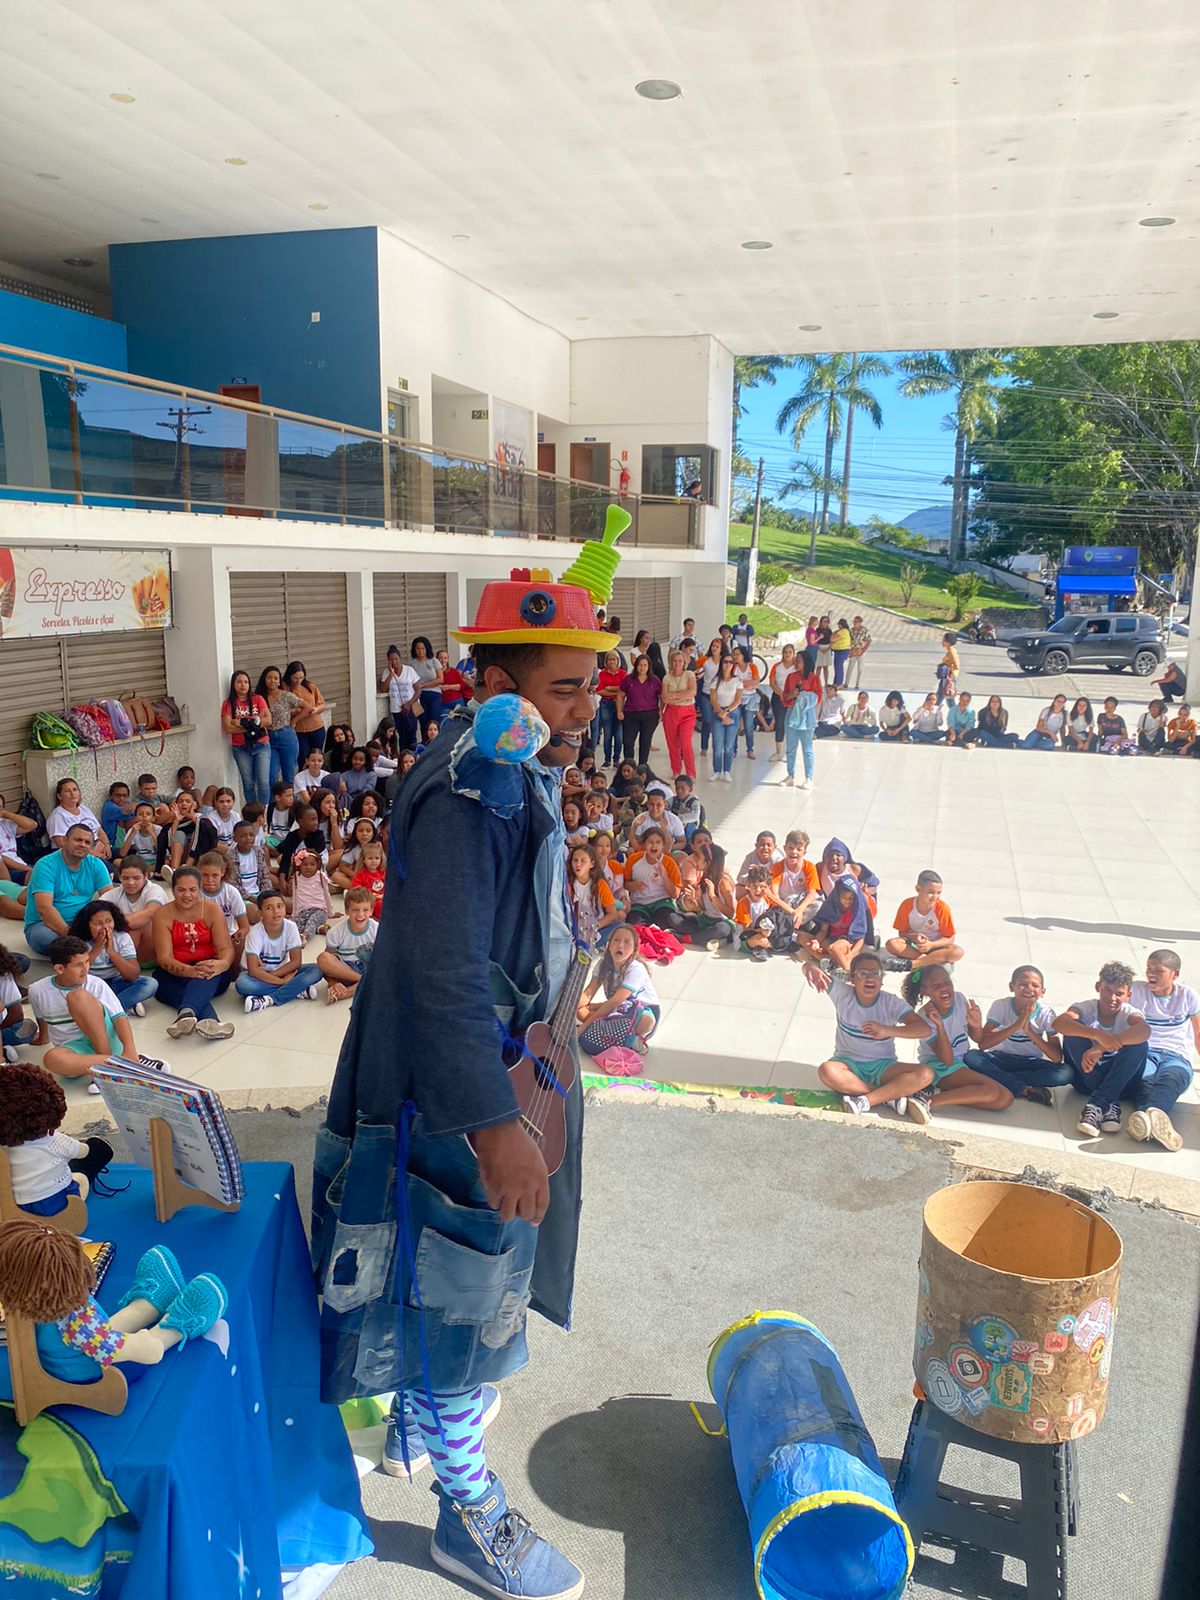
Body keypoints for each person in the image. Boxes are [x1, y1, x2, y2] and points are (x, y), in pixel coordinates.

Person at [313, 551, 629, 1596]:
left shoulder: (504, 757)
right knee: (460, 1300)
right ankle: (467, 1514)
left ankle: (414, 1419)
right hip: (454, 1096)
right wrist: (495, 1125)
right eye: (565, 687)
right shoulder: (473, 788)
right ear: (496, 686)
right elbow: (442, 970)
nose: (586, 706)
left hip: (494, 1073)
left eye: (590, 682)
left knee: (444, 1289)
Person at [801, 950, 935, 1122]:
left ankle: (865, 1100)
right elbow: (808, 965)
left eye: (875, 973)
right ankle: (888, 1097)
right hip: (848, 1064)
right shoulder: (843, 994)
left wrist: (887, 1031)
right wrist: (809, 968)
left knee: (926, 1073)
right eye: (863, 973)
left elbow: (924, 1029)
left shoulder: (890, 1002)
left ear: (882, 980)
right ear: (852, 979)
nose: (870, 978)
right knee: (826, 1071)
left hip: (883, 1067)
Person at [28, 936, 159, 1086]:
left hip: (107, 1041)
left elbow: (119, 1017)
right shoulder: (37, 990)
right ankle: (119, 1065)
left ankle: (115, 1065)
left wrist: (130, 1051)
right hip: (77, 1049)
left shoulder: (95, 984)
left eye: (87, 962)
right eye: (79, 965)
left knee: (77, 997)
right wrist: (42, 1038)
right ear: (60, 969)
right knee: (51, 1059)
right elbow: (42, 1020)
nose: (85, 969)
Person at [1055, 961, 1150, 1137]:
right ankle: (1109, 1101)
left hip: (1122, 1082)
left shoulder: (1130, 1013)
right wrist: (1098, 1035)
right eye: (1107, 990)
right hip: (1086, 1078)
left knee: (1139, 1043)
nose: (1112, 998)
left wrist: (1103, 1046)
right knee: (1072, 1032)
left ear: (1128, 995)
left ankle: (1098, 1103)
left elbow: (1144, 1030)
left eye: (1119, 993)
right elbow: (1059, 1023)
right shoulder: (1086, 1007)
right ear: (1098, 987)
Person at [903, 966, 1014, 1116]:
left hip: (962, 1061)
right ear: (924, 991)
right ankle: (926, 1101)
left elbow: (978, 1039)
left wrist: (976, 1024)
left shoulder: (960, 999)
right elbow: (947, 1061)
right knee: (993, 1091)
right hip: (939, 1066)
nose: (944, 988)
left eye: (947, 982)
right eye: (936, 986)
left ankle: (948, 1094)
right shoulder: (924, 1017)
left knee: (1005, 1100)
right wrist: (940, 1025)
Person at [962, 965, 1069, 1106]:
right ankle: (1023, 1089)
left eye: (1035, 985)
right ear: (1012, 987)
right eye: (1023, 984)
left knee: (1066, 1073)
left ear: (1042, 992)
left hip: (1030, 1062)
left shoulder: (1046, 1013)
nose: (1029, 989)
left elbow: (1056, 1057)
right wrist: (1015, 1026)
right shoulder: (1001, 1006)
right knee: (971, 1056)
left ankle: (1002, 1080)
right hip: (1000, 1058)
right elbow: (983, 1044)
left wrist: (1029, 1032)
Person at [151, 866, 237, 1041]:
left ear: (200, 889)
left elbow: (226, 949)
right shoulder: (162, 915)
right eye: (181, 890)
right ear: (172, 890)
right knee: (159, 981)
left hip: (210, 972)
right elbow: (164, 958)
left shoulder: (212, 910)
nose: (187, 895)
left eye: (192, 890)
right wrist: (190, 971)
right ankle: (209, 1021)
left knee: (207, 973)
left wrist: (221, 964)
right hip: (176, 972)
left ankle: (186, 1014)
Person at [1127, 950, 1197, 1153]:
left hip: (1177, 1055)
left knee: (1171, 1079)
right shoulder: (1135, 991)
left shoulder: (1187, 995)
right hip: (1145, 1051)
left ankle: (1144, 1120)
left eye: (1158, 971)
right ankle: (1155, 1121)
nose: (1151, 974)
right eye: (1149, 968)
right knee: (1144, 1080)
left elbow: (1198, 1032)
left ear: (1175, 974)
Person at [23, 825, 112, 956]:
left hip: (81, 922)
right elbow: (44, 909)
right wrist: (72, 936)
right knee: (47, 938)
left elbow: (110, 899)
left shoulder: (96, 864)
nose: (82, 845)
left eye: (87, 842)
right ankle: (79, 950)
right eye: (78, 840)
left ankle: (79, 950)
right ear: (65, 840)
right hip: (45, 925)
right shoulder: (46, 865)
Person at [577, 924, 660, 1054]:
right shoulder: (603, 963)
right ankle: (616, 1033)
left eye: (627, 942)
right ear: (609, 945)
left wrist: (582, 1028)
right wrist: (569, 1010)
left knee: (646, 1022)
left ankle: (629, 1039)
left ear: (634, 949)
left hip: (639, 1011)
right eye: (616, 940)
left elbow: (614, 1002)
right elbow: (588, 993)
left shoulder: (636, 969)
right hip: (618, 1009)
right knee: (581, 1012)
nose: (620, 945)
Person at [66, 900, 157, 1017]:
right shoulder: (79, 941)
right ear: (87, 925)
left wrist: (112, 952)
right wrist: (96, 950)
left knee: (150, 983)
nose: (105, 927)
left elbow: (133, 974)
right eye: (98, 923)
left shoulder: (122, 938)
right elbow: (76, 973)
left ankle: (106, 1011)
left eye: (109, 921)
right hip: (90, 985)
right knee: (74, 994)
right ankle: (124, 1006)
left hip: (115, 982)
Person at [236, 890, 321, 1011]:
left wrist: (276, 978)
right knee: (243, 985)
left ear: (285, 908)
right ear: (260, 913)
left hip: (282, 971)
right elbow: (254, 970)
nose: (276, 911)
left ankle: (268, 999)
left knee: (317, 969)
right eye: (269, 908)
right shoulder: (255, 933)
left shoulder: (291, 927)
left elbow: (296, 962)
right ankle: (296, 989)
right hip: (257, 976)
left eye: (279, 906)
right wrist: (281, 982)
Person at [884, 871, 964, 968]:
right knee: (892, 944)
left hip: (936, 946)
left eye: (938, 893)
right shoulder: (907, 905)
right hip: (915, 946)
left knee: (957, 952)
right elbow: (902, 933)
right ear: (918, 889)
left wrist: (931, 945)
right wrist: (915, 937)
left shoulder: (943, 908)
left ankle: (913, 964)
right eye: (930, 892)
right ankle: (932, 960)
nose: (935, 897)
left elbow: (950, 938)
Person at [102, 857, 169, 964]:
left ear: (145, 876)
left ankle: (124, 963)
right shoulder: (114, 894)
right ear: (119, 877)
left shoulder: (154, 890)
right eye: (125, 878)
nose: (131, 883)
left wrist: (113, 925)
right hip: (125, 950)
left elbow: (150, 913)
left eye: (136, 878)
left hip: (155, 951)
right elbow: (94, 913)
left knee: (142, 924)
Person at [318, 886, 379, 1003]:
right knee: (323, 958)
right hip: (345, 971)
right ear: (346, 911)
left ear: (371, 911)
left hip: (369, 968)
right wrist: (333, 982)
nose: (360, 914)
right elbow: (326, 964)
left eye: (365, 910)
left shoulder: (377, 929)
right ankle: (365, 982)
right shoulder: (335, 932)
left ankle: (345, 993)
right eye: (355, 910)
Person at [221, 669, 271, 806]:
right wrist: (253, 725)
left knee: (263, 782)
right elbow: (228, 728)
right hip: (241, 748)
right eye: (239, 682)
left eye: (246, 682)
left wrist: (241, 723)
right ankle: (253, 812)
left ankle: (264, 812)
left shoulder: (258, 699)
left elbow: (268, 720)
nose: (243, 685)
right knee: (248, 783)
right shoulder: (228, 704)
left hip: (261, 745)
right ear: (233, 684)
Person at [803, 873, 873, 973]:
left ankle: (848, 972)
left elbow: (860, 939)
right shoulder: (831, 906)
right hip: (831, 938)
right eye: (844, 897)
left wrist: (851, 955)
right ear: (837, 895)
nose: (848, 901)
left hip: (846, 941)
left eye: (851, 898)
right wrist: (817, 942)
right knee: (802, 938)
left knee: (834, 948)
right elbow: (823, 930)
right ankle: (828, 962)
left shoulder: (857, 910)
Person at [256, 665, 305, 786]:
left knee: (289, 776)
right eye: (269, 678)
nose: (272, 681)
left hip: (286, 736)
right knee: (271, 776)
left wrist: (294, 720)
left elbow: (308, 708)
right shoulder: (259, 697)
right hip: (268, 738)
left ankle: (289, 798)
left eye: (275, 678)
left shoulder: (286, 695)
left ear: (279, 681)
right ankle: (274, 799)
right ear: (264, 679)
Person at [567, 843, 623, 949]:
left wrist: (595, 926)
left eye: (583, 861)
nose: (578, 864)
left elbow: (612, 914)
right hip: (572, 929)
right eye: (575, 860)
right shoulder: (568, 883)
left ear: (592, 864)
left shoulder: (600, 884)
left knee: (620, 925)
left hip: (595, 928)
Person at [198, 852, 250, 965]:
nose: (210, 880)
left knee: (241, 945)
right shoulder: (195, 893)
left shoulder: (231, 893)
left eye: (215, 875)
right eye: (205, 875)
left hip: (227, 938)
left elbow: (244, 927)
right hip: (201, 939)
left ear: (222, 872)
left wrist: (237, 936)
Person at [623, 827, 683, 923]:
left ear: (663, 846)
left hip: (662, 902)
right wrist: (633, 885)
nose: (654, 845)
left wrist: (664, 876)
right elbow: (625, 883)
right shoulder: (633, 859)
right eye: (650, 842)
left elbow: (675, 895)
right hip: (639, 904)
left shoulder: (669, 863)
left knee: (664, 921)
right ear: (644, 844)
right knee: (635, 923)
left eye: (658, 842)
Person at [154, 790, 219, 878]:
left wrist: (193, 818)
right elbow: (167, 842)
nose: (184, 804)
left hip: (197, 857)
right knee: (179, 834)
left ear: (194, 805)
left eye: (188, 801)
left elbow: (211, 835)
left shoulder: (202, 819)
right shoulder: (173, 821)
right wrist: (177, 820)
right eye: (180, 801)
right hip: (178, 856)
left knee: (200, 829)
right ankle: (175, 870)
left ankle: (187, 866)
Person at [659, 647, 699, 780]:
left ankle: (691, 773)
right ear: (671, 662)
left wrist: (674, 696)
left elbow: (692, 692)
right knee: (673, 744)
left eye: (680, 660)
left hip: (687, 712)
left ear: (684, 662)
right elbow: (665, 698)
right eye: (675, 660)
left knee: (686, 743)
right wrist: (682, 696)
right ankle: (676, 770)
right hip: (670, 712)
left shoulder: (689, 675)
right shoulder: (667, 678)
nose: (677, 663)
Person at [617, 652, 662, 766]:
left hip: (650, 716)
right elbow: (620, 696)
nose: (642, 668)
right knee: (628, 742)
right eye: (640, 665)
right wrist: (619, 711)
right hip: (630, 715)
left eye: (645, 665)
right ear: (636, 665)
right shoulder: (628, 679)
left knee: (645, 742)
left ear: (649, 666)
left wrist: (661, 711)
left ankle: (643, 766)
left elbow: (661, 697)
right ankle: (629, 766)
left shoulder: (655, 680)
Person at [47, 779, 110, 859]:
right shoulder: (57, 816)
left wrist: (107, 846)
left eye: (75, 789)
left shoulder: (84, 809)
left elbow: (99, 830)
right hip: (81, 856)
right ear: (59, 796)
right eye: (67, 791)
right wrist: (93, 854)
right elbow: (62, 844)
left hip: (99, 849)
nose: (72, 793)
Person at [224, 817, 273, 916]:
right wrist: (251, 898)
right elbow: (233, 884)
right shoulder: (230, 856)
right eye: (243, 836)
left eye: (251, 835)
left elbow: (265, 877)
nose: (248, 838)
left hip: (259, 894)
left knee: (284, 904)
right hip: (243, 897)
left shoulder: (258, 852)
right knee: (257, 915)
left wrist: (265, 896)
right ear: (235, 838)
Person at [284, 661, 328, 767]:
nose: (298, 681)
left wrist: (316, 709)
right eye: (295, 678)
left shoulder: (310, 687)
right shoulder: (285, 689)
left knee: (317, 758)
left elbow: (323, 704)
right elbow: (285, 711)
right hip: (299, 730)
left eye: (301, 677)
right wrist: (299, 712)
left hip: (316, 727)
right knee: (303, 759)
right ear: (289, 676)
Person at [380, 644, 421, 752]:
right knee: (401, 734)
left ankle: (413, 755)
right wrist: (391, 674)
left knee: (412, 733)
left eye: (396, 659)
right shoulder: (386, 672)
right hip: (397, 708)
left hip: (412, 706)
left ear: (400, 658)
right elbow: (383, 689)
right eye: (391, 660)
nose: (394, 662)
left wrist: (409, 703)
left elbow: (418, 689)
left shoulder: (409, 670)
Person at [708, 654, 742, 781]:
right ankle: (716, 770)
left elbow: (738, 700)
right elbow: (713, 699)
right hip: (718, 712)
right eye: (725, 662)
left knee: (729, 745)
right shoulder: (715, 680)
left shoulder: (737, 680)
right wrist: (720, 713)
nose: (728, 664)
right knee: (717, 744)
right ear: (721, 664)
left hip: (732, 712)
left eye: (731, 662)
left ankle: (727, 770)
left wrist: (726, 712)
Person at [289, 847, 334, 941]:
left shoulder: (321, 876)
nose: (308, 867)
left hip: (319, 909)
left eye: (312, 864)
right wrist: (294, 914)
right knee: (294, 923)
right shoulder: (296, 878)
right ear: (299, 865)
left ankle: (304, 936)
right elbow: (295, 897)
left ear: (317, 865)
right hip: (303, 911)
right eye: (305, 864)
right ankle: (319, 929)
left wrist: (330, 912)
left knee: (312, 920)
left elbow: (326, 894)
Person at [696, 638, 726, 762]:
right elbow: (692, 667)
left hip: (720, 696)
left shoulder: (725, 661)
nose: (714, 648)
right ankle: (704, 746)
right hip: (706, 694)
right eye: (713, 646)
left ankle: (718, 746)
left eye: (717, 647)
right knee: (707, 720)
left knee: (719, 721)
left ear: (721, 649)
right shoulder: (705, 660)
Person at [594, 650, 625, 768]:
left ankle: (616, 760)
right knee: (607, 734)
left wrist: (609, 688)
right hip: (606, 704)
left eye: (614, 659)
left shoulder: (623, 674)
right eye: (609, 659)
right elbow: (599, 690)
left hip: (620, 705)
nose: (612, 662)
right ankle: (607, 760)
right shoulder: (602, 674)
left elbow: (624, 689)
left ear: (618, 661)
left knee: (619, 734)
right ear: (606, 661)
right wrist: (616, 691)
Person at [767, 644, 797, 762]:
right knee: (780, 724)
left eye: (790, 652)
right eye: (786, 652)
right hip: (778, 697)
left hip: (792, 698)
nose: (788, 654)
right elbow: (772, 682)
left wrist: (790, 695)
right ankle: (778, 751)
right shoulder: (777, 666)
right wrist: (781, 693)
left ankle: (790, 752)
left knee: (791, 725)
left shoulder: (796, 667)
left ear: (793, 654)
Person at [731, 646, 762, 759]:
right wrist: (747, 684)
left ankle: (750, 749)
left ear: (743, 655)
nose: (735, 656)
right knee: (735, 725)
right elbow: (731, 682)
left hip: (750, 699)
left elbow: (756, 682)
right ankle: (733, 749)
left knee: (749, 725)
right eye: (734, 654)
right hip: (736, 699)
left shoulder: (752, 667)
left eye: (737, 654)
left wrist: (740, 683)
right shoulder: (733, 667)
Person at [115, 800, 160, 872]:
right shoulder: (133, 830)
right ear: (136, 818)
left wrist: (152, 833)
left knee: (166, 862)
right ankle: (146, 871)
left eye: (148, 814)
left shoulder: (159, 830)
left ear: (153, 818)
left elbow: (161, 852)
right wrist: (132, 833)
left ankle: (143, 871)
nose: (144, 816)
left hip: (156, 860)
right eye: (140, 814)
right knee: (117, 862)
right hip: (140, 862)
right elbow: (122, 853)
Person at [0, 794, 36, 884]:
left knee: (50, 871)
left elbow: (32, 825)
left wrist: (7, 814)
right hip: (6, 870)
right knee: (39, 877)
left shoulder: (5, 824)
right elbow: (2, 859)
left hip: (20, 864)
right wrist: (28, 869)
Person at [410, 636, 445, 726]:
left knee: (434, 722)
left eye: (423, 648)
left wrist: (423, 685)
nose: (420, 651)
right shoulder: (411, 663)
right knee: (423, 723)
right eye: (418, 649)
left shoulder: (434, 661)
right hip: (418, 697)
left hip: (434, 695)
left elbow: (440, 679)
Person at [350, 838, 387, 920]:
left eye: (377, 858)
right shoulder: (360, 875)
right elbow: (356, 890)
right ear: (364, 860)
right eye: (370, 858)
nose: (374, 861)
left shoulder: (384, 873)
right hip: (367, 900)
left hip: (383, 897)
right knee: (380, 905)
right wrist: (371, 896)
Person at [736, 831, 782, 896]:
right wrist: (752, 875)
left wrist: (761, 873)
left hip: (770, 890)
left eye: (769, 845)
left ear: (774, 847)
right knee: (738, 889)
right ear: (756, 846)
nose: (765, 848)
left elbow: (779, 881)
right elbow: (740, 878)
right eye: (762, 845)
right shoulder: (750, 857)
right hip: (754, 888)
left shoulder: (778, 860)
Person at [99, 782, 137, 851]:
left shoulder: (127, 803)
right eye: (117, 795)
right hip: (113, 846)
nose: (121, 798)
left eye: (124, 796)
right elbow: (124, 812)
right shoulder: (109, 807)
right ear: (110, 796)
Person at [669, 774, 703, 843]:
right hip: (674, 828)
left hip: (688, 830)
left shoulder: (694, 802)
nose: (679, 791)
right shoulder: (672, 800)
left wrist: (677, 819)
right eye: (677, 788)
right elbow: (665, 806)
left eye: (682, 788)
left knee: (690, 826)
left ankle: (689, 844)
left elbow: (695, 816)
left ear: (690, 789)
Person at [846, 616, 872, 690]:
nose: (854, 623)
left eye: (856, 622)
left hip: (861, 651)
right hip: (853, 651)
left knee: (860, 668)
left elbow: (869, 640)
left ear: (860, 622)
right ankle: (846, 683)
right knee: (850, 668)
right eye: (854, 622)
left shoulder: (864, 630)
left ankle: (858, 683)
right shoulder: (851, 630)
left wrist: (863, 649)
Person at [936, 634, 959, 705]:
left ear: (948, 642)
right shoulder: (950, 650)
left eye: (943, 640)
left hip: (949, 676)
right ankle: (954, 710)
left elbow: (957, 666)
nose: (942, 642)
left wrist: (950, 678)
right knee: (948, 695)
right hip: (948, 676)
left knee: (942, 694)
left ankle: (935, 708)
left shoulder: (952, 651)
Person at [830, 618, 852, 688]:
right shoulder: (843, 631)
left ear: (841, 625)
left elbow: (832, 638)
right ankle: (836, 682)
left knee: (838, 667)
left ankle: (839, 683)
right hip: (838, 651)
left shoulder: (843, 631)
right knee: (837, 667)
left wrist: (835, 633)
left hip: (842, 650)